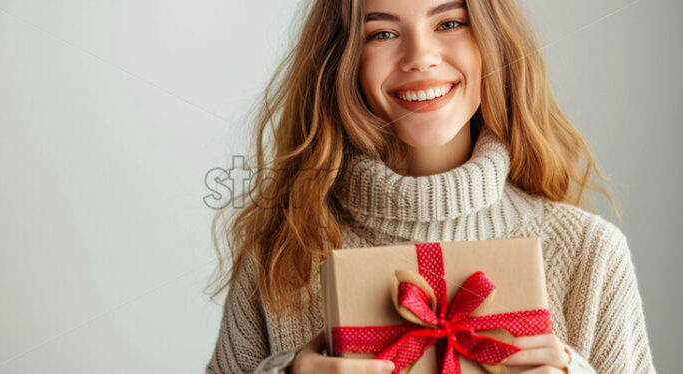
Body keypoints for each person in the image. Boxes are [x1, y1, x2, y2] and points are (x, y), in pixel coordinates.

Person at [204, 0, 657, 373]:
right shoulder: (284, 254)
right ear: (342, 62)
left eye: (450, 22)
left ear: (491, 44)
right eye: (381, 32)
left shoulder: (588, 253)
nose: (420, 56)